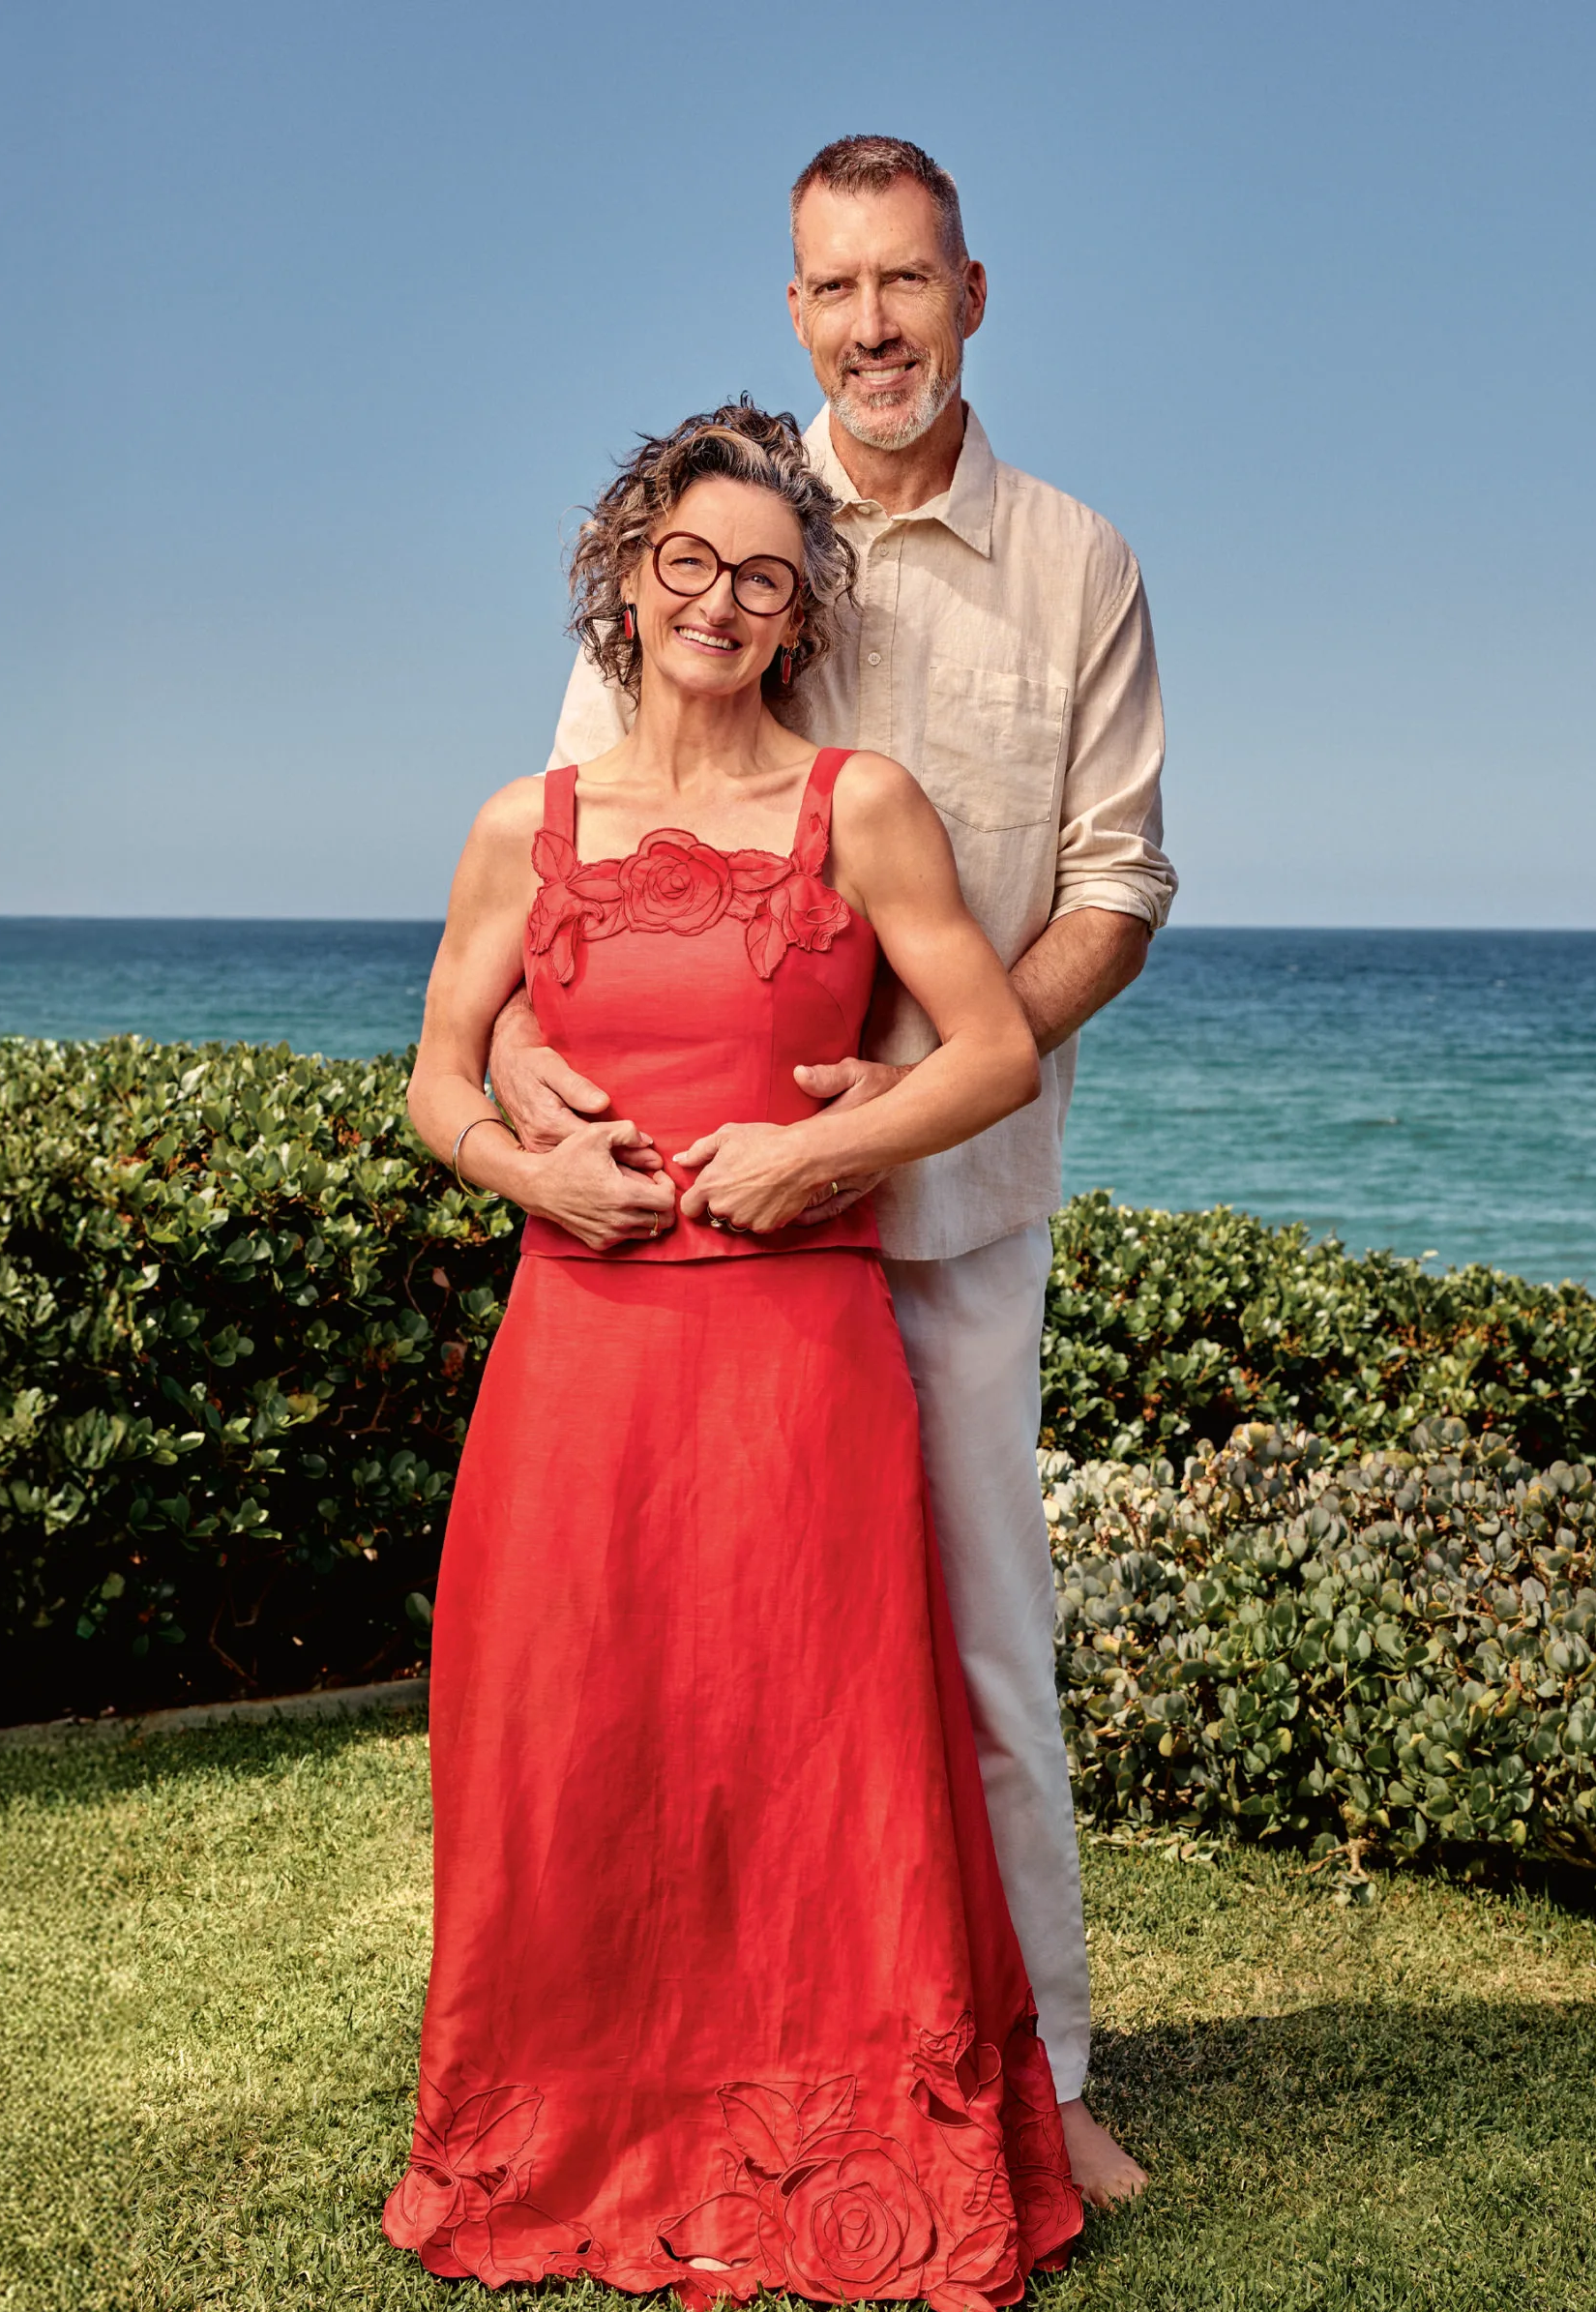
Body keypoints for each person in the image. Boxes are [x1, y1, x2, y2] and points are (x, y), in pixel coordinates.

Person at [488, 135, 1176, 2206]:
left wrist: (890, 1109)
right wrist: (535, 1115)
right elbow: (553, 881)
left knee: (970, 1642)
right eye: (835, 288)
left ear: (975, 291)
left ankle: (1035, 2067)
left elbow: (1115, 887)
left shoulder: (1077, 562)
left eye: (910, 280)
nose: (874, 322)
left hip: (946, 1210)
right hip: (685, 1243)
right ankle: (713, 2063)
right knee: (681, 1666)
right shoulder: (713, 525)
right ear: (793, 309)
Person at [384, 401, 1085, 2312]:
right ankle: (571, 2132)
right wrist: (535, 1164)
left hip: (795, 1350)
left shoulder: (857, 804)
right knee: (567, 1734)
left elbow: (988, 1049)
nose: (716, 598)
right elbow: (440, 1077)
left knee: (813, 1743)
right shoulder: (519, 828)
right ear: (624, 577)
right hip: (578, 1346)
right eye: (684, 560)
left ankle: (839, 2142)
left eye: (759, 576)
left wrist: (817, 1153)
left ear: (796, 615)